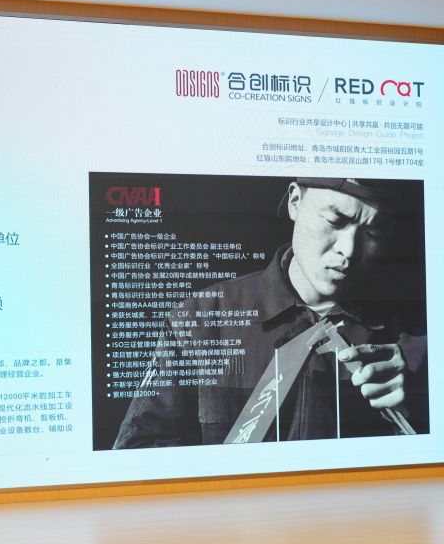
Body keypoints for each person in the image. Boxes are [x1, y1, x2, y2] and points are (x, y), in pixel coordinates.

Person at [113, 177, 428, 448]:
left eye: (373, 232)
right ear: (295, 202)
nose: (349, 249)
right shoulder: (200, 318)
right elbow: (138, 453)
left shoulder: (413, 332)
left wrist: (420, 409)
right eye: (335, 220)